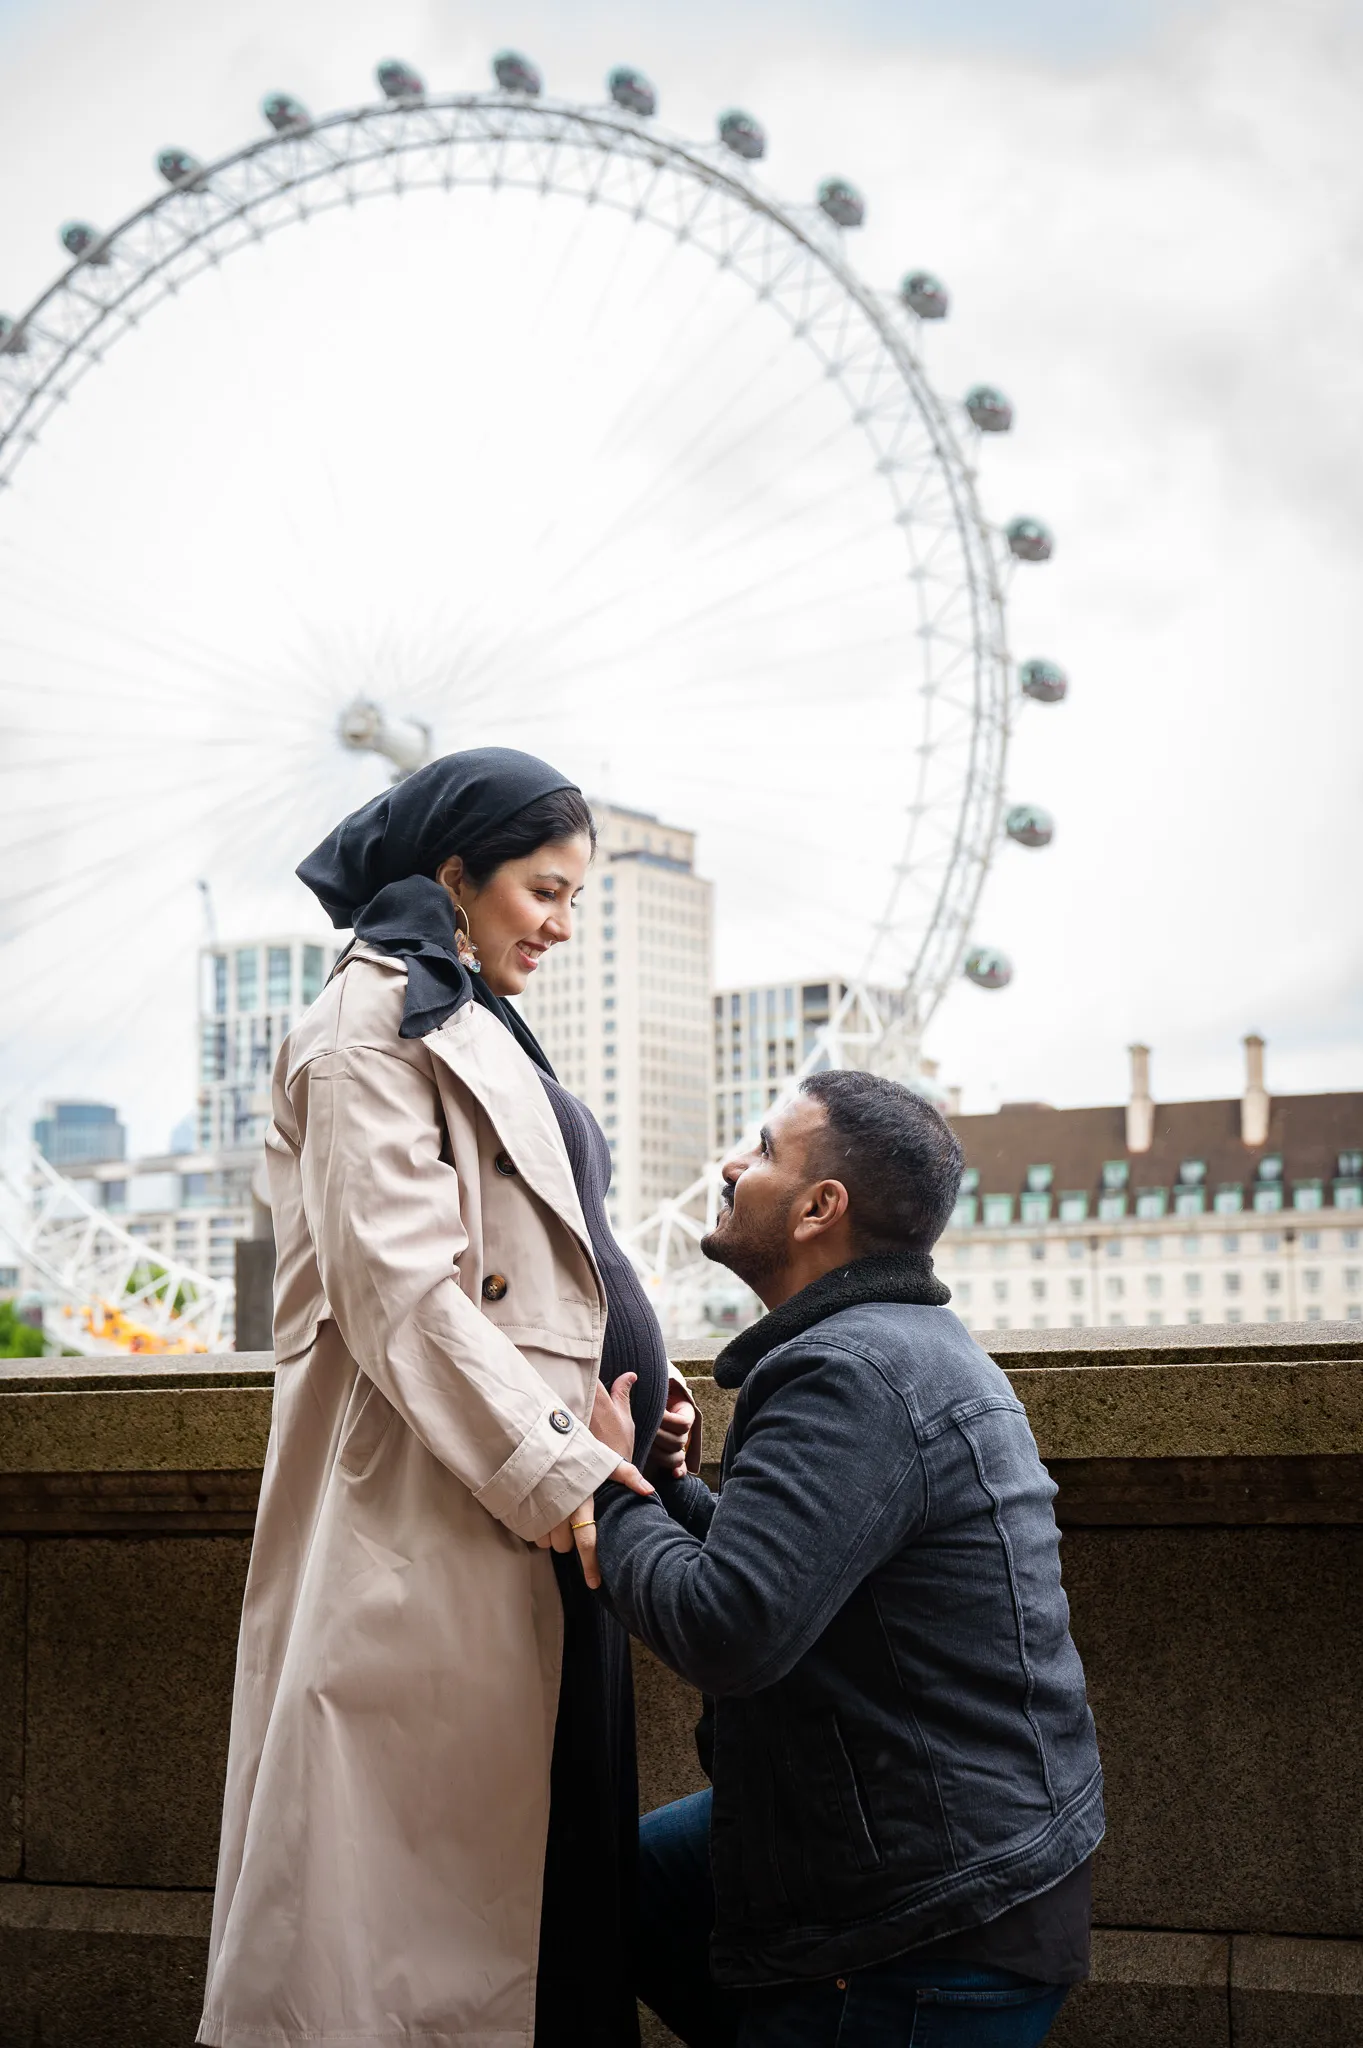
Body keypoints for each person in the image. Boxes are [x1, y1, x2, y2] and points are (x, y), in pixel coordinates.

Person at [198, 748, 696, 2048]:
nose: (563, 925)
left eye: (576, 897)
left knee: (552, 1915)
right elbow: (403, 1296)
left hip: (539, 1520)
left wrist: (641, 1403)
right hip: (450, 1532)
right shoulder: (363, 1035)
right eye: (544, 889)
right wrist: (567, 1466)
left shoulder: (460, 1015)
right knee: (457, 1952)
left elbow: (547, 1258)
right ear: (454, 875)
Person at [588, 1070, 1104, 2048]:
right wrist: (670, 1486)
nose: (731, 1165)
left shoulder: (847, 1373)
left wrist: (604, 1486)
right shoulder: (899, 1345)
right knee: (616, 1885)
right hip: (962, 1842)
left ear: (820, 1207)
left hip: (928, 1915)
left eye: (763, 1150)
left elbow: (728, 1629)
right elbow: (799, 1571)